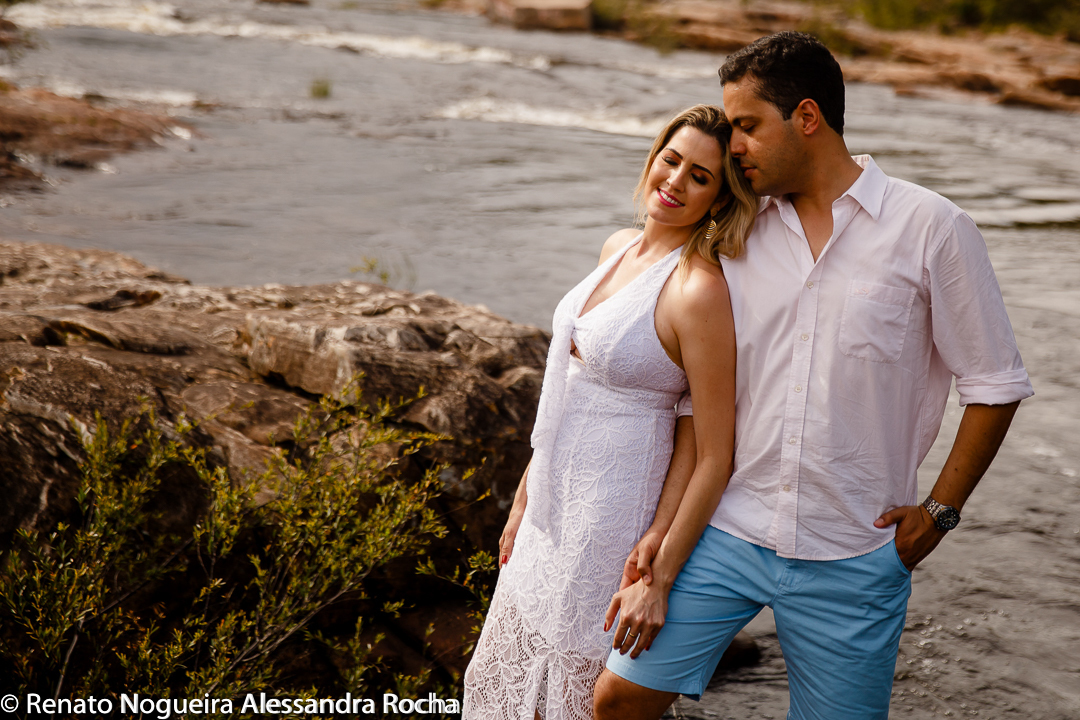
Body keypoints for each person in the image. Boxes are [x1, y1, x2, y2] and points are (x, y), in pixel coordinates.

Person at [593, 32, 1034, 720]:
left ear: (806, 117)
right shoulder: (738, 228)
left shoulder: (933, 228)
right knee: (619, 700)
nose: (733, 146)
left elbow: (995, 385)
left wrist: (939, 515)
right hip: (726, 530)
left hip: (855, 552)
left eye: (746, 125)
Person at [461, 105, 757, 720]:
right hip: (551, 505)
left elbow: (712, 451)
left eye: (700, 176)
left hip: (611, 518)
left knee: (569, 693)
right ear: (653, 159)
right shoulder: (619, 246)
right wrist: (524, 497)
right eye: (671, 160)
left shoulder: (697, 290)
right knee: (500, 683)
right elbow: (571, 387)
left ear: (720, 199)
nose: (675, 181)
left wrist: (661, 563)